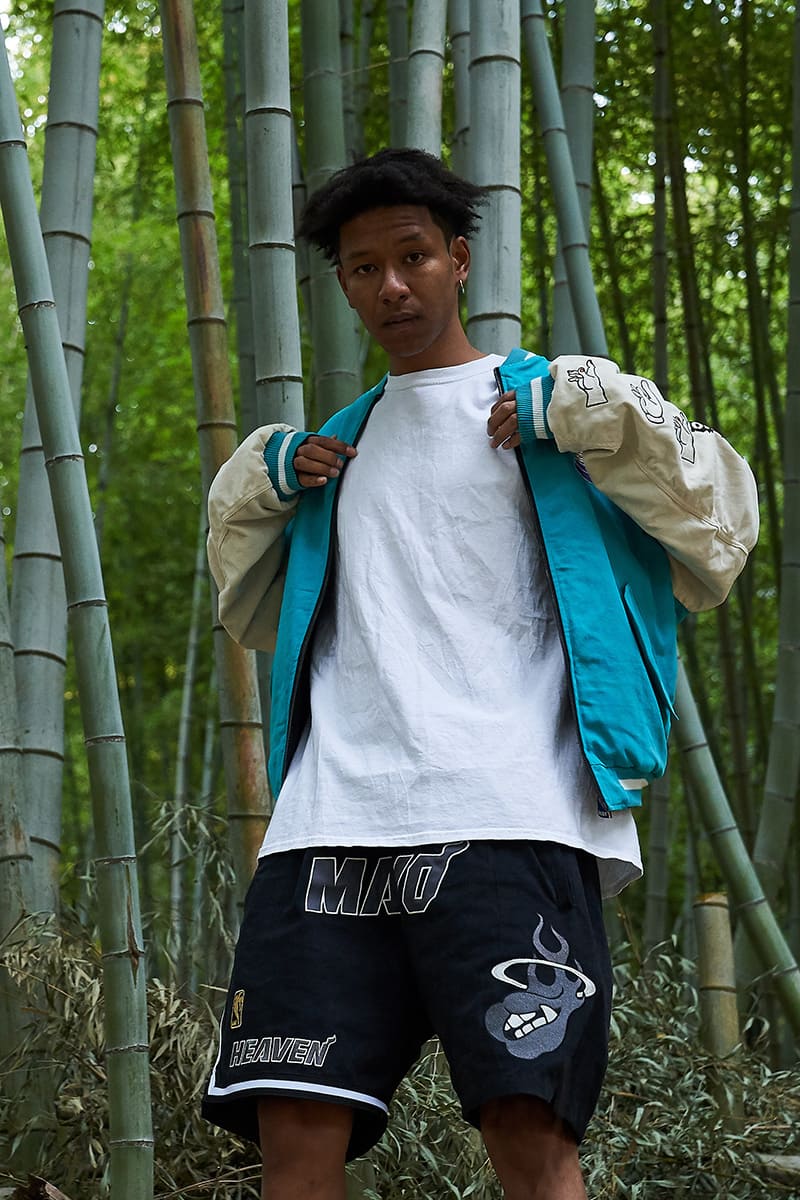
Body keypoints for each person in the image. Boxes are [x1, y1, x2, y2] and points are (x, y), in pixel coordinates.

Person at [201, 148, 758, 1199]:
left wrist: (580, 415)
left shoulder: (560, 410)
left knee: (527, 1133)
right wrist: (268, 477)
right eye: (363, 268)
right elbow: (248, 606)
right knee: (295, 1138)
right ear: (343, 285)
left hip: (510, 811)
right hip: (328, 823)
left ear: (458, 260)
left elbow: (721, 528)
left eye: (412, 256)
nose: (391, 286)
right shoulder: (329, 452)